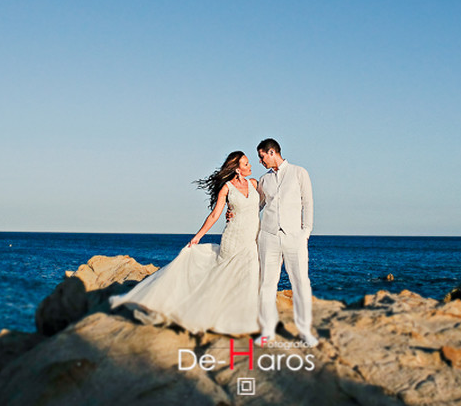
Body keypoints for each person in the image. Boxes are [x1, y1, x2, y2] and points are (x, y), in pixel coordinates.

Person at [109, 151, 260, 336]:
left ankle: (243, 316)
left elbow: (264, 203)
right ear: (237, 169)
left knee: (249, 273)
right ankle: (211, 313)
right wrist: (198, 237)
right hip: (234, 237)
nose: (250, 166)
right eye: (246, 164)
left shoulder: (254, 184)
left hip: (251, 238)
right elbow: (214, 215)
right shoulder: (227, 188)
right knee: (226, 275)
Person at [255, 138, 317, 347]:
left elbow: (308, 203)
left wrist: (305, 232)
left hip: (294, 237)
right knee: (266, 285)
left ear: (271, 152)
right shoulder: (264, 180)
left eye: (262, 156)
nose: (260, 161)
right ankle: (267, 331)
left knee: (300, 283)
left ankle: (304, 331)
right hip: (268, 236)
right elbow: (257, 205)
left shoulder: (300, 173)